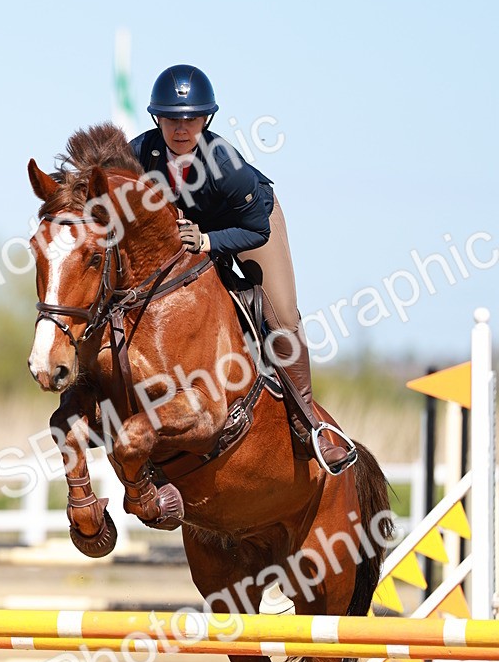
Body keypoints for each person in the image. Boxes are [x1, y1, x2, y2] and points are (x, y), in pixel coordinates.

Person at [129, 64, 357, 475]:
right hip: (190, 234)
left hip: (250, 226)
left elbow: (254, 228)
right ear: (156, 119)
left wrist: (208, 241)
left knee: (281, 314)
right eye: (171, 119)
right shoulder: (140, 153)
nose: (181, 129)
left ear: (207, 119)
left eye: (192, 119)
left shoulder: (225, 163)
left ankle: (310, 426)